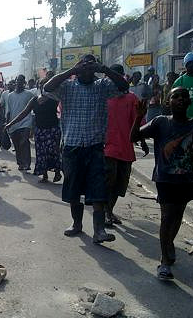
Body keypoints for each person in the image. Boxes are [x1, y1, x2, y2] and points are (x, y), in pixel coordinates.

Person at [44, 54, 129, 243]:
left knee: (98, 188)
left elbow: (124, 87)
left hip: (95, 146)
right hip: (72, 146)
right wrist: (72, 71)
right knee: (74, 188)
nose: (87, 69)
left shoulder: (102, 86)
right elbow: (47, 87)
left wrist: (105, 69)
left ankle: (99, 230)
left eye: (91, 66)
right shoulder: (67, 86)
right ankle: (77, 224)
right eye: (84, 65)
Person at [131, 88, 193, 280]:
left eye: (184, 97)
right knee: (167, 217)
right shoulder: (160, 122)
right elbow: (133, 138)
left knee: (177, 217)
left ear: (190, 102)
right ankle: (165, 261)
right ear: (168, 102)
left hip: (185, 179)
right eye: (176, 96)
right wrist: (138, 117)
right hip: (164, 178)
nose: (180, 99)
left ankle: (168, 244)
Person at [103, 64, 142, 227]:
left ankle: (109, 211)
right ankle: (106, 213)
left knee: (120, 184)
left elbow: (136, 122)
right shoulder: (103, 97)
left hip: (126, 148)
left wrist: (143, 142)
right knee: (108, 182)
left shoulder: (132, 98)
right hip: (107, 147)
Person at [5, 78, 61, 183]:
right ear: (39, 87)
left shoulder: (54, 99)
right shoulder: (34, 100)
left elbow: (63, 110)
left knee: (53, 151)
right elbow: (24, 113)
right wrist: (10, 123)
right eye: (41, 84)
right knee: (41, 153)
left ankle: (57, 172)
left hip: (52, 130)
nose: (44, 86)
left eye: (46, 84)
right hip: (39, 131)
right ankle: (44, 175)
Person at [5, 75, 35, 171]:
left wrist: (33, 125)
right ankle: (20, 163)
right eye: (18, 80)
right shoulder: (10, 96)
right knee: (17, 144)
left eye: (21, 81)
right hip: (13, 123)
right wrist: (7, 123)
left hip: (26, 122)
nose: (19, 83)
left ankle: (27, 163)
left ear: (24, 83)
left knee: (24, 142)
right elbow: (8, 111)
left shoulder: (29, 94)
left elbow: (34, 108)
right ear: (15, 82)